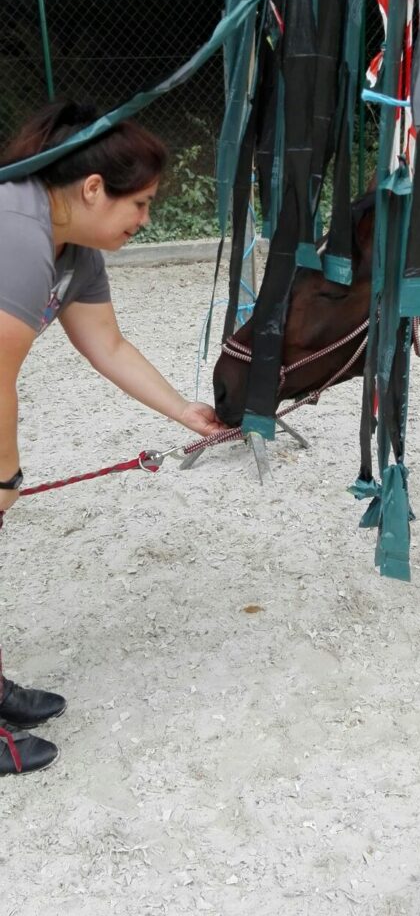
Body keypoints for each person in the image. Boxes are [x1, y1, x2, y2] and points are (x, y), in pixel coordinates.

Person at [0, 101, 223, 775]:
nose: (145, 221)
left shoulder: (73, 241)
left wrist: (184, 413)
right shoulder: (16, 231)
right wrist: (4, 475)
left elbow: (108, 345)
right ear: (93, 188)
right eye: (143, 204)